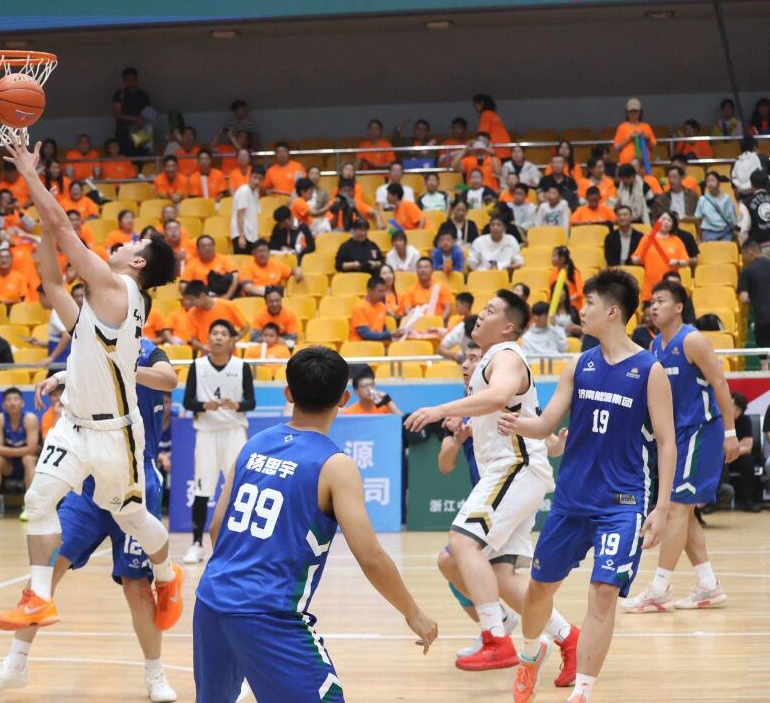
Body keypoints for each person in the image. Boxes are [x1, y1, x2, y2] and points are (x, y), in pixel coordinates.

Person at [0, 131, 182, 634]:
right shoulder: (99, 307)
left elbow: (65, 227)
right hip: (74, 426)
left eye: (130, 244)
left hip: (116, 433)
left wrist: (29, 173)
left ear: (137, 264)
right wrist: (44, 228)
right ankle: (38, 598)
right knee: (38, 500)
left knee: (132, 514)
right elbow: (52, 281)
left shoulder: (118, 289)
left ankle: (168, 575)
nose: (120, 243)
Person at [193, 346, 437, 701]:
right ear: (344, 398)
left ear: (288, 394)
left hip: (211, 599)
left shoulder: (254, 445)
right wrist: (413, 612)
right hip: (269, 613)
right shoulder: (335, 465)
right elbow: (369, 556)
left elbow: (217, 527)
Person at [504, 269, 676, 703]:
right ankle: (530, 655)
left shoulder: (649, 370)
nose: (581, 311)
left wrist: (661, 508)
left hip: (622, 502)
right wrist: (509, 420)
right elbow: (545, 424)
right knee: (540, 589)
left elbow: (667, 442)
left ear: (613, 312)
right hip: (572, 499)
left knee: (603, 593)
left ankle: (582, 692)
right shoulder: (579, 364)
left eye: (590, 304)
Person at [0, 336, 180, 700]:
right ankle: (15, 664)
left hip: (134, 479)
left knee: (136, 587)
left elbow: (169, 379)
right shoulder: (90, 341)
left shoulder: (148, 351)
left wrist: (124, 367)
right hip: (88, 485)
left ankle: (155, 674)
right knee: (47, 570)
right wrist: (58, 378)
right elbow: (85, 368)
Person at [406, 292, 579, 676]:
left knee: (461, 542)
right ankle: (569, 639)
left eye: (490, 310)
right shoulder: (492, 361)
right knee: (494, 574)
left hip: (515, 467)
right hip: (516, 470)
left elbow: (499, 396)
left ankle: (495, 639)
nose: (480, 315)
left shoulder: (506, 355)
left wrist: (439, 409)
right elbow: (514, 410)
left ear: (508, 327)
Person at [623, 282, 741, 613]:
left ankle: (660, 588)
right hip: (676, 437)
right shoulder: (654, 345)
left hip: (701, 431)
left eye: (661, 301)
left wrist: (730, 432)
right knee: (683, 512)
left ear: (678, 307)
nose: (653, 306)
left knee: (676, 508)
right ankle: (708, 584)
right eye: (651, 301)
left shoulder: (692, 340)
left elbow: (720, 383)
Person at [182, 320, 254, 565]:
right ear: (208, 338)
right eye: (214, 333)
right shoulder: (197, 366)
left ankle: (239, 545)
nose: (219, 337)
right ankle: (196, 544)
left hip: (234, 432)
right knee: (202, 490)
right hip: (207, 433)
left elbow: (251, 402)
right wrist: (205, 405)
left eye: (224, 333)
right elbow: (187, 401)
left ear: (231, 340)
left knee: (238, 490)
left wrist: (237, 405)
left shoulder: (242, 366)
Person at [0, 388, 41, 522]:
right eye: (8, 400)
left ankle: (30, 507)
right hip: (10, 464)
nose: (12, 403)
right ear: (4, 405)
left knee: (28, 459)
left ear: (22, 403)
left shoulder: (30, 419)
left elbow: (32, 450)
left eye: (15, 399)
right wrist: (19, 450)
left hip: (28, 465)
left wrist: (4, 450)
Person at [631, 212, 689, 291]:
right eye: (663, 219)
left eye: (669, 220)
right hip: (650, 284)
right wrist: (636, 259)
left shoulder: (677, 241)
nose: (666, 222)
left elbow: (686, 261)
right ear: (657, 222)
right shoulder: (647, 238)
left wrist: (677, 262)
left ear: (673, 224)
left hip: (670, 285)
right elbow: (636, 258)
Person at [738, 239, 770, 355]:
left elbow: (744, 298)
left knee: (764, 355)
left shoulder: (747, 271)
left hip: (762, 318)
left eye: (743, 254)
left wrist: (755, 298)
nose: (743, 258)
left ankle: (765, 366)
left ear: (750, 252)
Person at [229, 165, 264, 255]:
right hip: (241, 235)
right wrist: (241, 237)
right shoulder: (244, 191)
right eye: (255, 177)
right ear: (250, 176)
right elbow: (240, 215)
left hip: (251, 235)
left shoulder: (255, 192)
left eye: (260, 179)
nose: (257, 181)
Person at [694, 171, 738, 242]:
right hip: (708, 231)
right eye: (708, 181)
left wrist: (735, 229)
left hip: (725, 231)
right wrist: (700, 235)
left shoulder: (726, 198)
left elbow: (731, 215)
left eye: (713, 180)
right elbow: (698, 218)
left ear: (719, 183)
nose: (710, 183)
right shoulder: (702, 199)